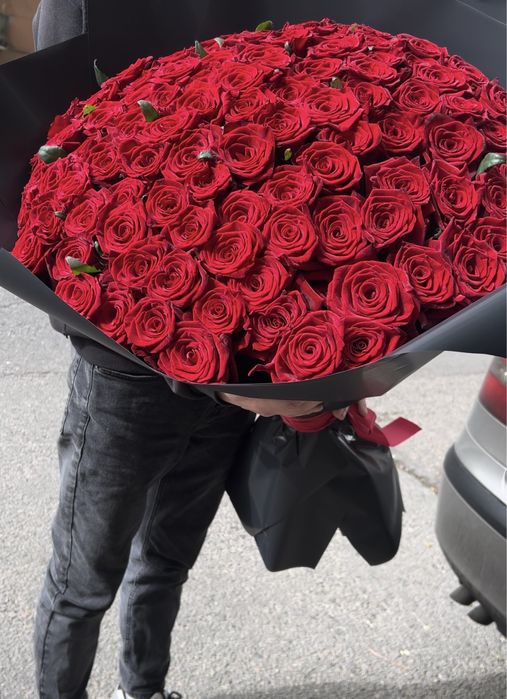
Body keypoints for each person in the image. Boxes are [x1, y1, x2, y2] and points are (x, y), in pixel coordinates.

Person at [31, 3, 364, 698]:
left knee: (165, 560)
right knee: (84, 580)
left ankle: (142, 690)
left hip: (233, 371)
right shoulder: (80, 8)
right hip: (126, 377)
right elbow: (66, 163)